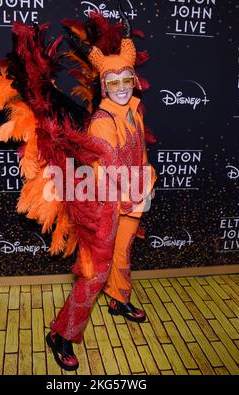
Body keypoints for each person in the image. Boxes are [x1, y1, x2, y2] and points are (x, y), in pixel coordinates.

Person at [46, 3, 157, 371]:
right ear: (103, 85)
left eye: (127, 79)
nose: (122, 88)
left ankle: (118, 298)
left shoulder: (136, 109)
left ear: (133, 80)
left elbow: (138, 153)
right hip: (106, 203)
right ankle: (60, 334)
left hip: (134, 195)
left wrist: (146, 184)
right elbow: (110, 174)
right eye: (113, 82)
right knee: (94, 273)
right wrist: (138, 191)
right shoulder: (101, 122)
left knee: (124, 254)